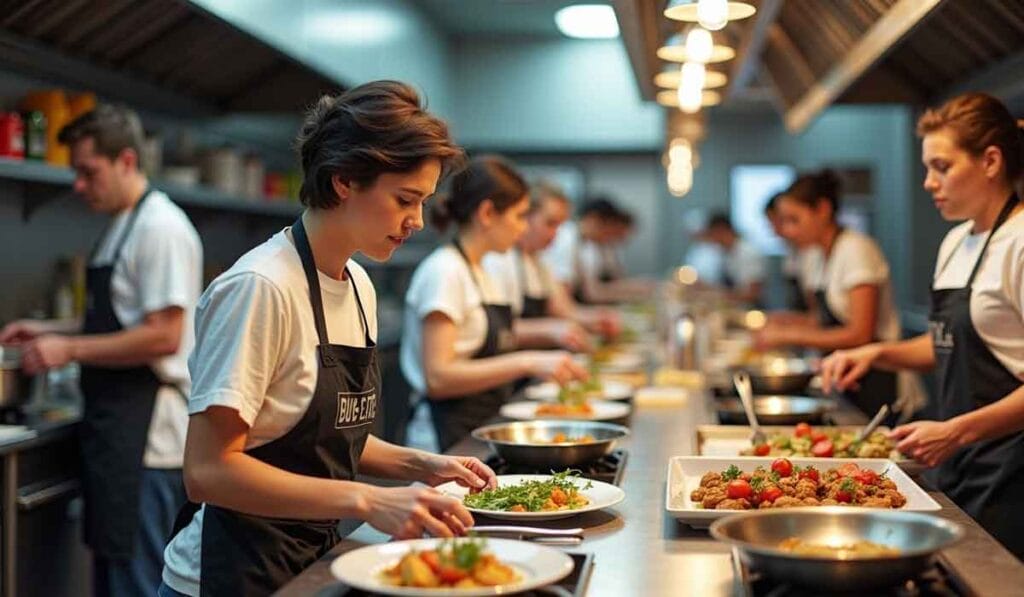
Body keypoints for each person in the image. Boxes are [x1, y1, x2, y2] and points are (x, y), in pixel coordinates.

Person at [159, 81, 495, 597]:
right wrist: (369, 501)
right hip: (229, 572)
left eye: (425, 202)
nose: (418, 221)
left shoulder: (356, 282)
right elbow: (208, 471)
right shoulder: (261, 288)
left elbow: (322, 436)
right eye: (406, 199)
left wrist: (420, 464)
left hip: (308, 560)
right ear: (344, 181)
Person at [0, 104, 202, 597]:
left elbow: (164, 335)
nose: (79, 185)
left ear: (127, 161)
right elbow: (120, 317)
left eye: (89, 172)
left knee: (139, 580)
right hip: (118, 431)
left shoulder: (160, 228)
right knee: (117, 574)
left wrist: (67, 347)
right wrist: (48, 328)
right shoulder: (123, 225)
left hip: (149, 439)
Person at [821, 93, 1024, 558]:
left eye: (942, 167)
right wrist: (876, 352)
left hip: (1012, 470)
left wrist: (957, 430)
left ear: (990, 161)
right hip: (961, 462)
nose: (929, 183)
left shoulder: (1019, 243)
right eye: (927, 168)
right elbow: (946, 345)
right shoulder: (956, 241)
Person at [401, 157, 588, 451]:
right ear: (487, 213)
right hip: (444, 439)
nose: (522, 228)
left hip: (480, 426)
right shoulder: (444, 272)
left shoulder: (481, 271)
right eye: (519, 216)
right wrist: (526, 362)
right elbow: (438, 377)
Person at [754, 169, 904, 419]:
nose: (788, 231)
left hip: (878, 382)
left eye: (794, 220)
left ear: (822, 210)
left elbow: (860, 333)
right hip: (841, 379)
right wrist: (780, 322)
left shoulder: (856, 250)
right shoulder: (814, 256)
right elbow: (819, 320)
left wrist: (789, 334)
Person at [482, 182, 620, 349]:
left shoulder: (540, 262)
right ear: (525, 217)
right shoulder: (500, 259)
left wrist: (598, 318)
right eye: (550, 223)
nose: (556, 233)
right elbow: (498, 330)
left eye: (560, 225)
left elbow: (564, 309)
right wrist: (551, 330)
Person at [700, 212, 766, 305]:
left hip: (750, 309)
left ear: (721, 230)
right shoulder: (725, 252)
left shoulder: (748, 253)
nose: (712, 240)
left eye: (712, 234)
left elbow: (752, 294)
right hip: (731, 306)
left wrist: (714, 294)